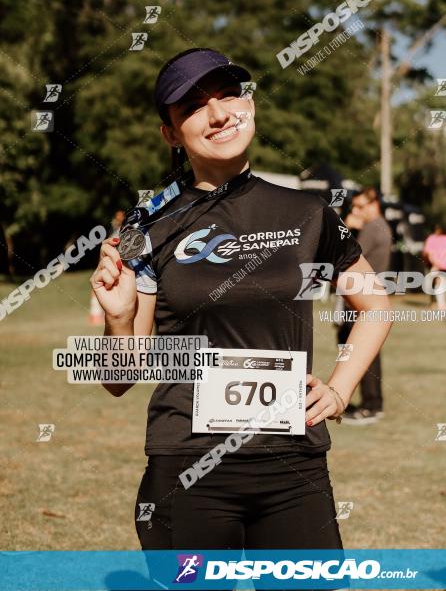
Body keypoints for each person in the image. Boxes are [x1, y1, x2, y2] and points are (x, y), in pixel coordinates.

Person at [90, 47, 393, 556]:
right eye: (192, 107)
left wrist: (340, 391)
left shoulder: (309, 211)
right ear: (170, 134)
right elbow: (119, 379)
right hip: (186, 463)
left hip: (293, 462)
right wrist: (119, 319)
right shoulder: (148, 227)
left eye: (229, 94)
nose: (219, 113)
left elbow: (376, 305)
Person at [339, 187, 392, 425]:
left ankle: (370, 405)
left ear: (374, 204)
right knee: (363, 351)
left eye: (361, 206)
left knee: (359, 351)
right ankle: (370, 403)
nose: (357, 211)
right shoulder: (380, 226)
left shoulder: (371, 228)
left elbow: (343, 254)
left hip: (361, 298)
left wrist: (346, 227)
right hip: (368, 295)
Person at [422, 225, 446, 310]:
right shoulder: (434, 238)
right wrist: (435, 264)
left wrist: (437, 264)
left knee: (441, 283)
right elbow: (428, 252)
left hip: (441, 265)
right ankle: (438, 304)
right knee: (437, 283)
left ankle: (441, 304)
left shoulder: (445, 239)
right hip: (437, 265)